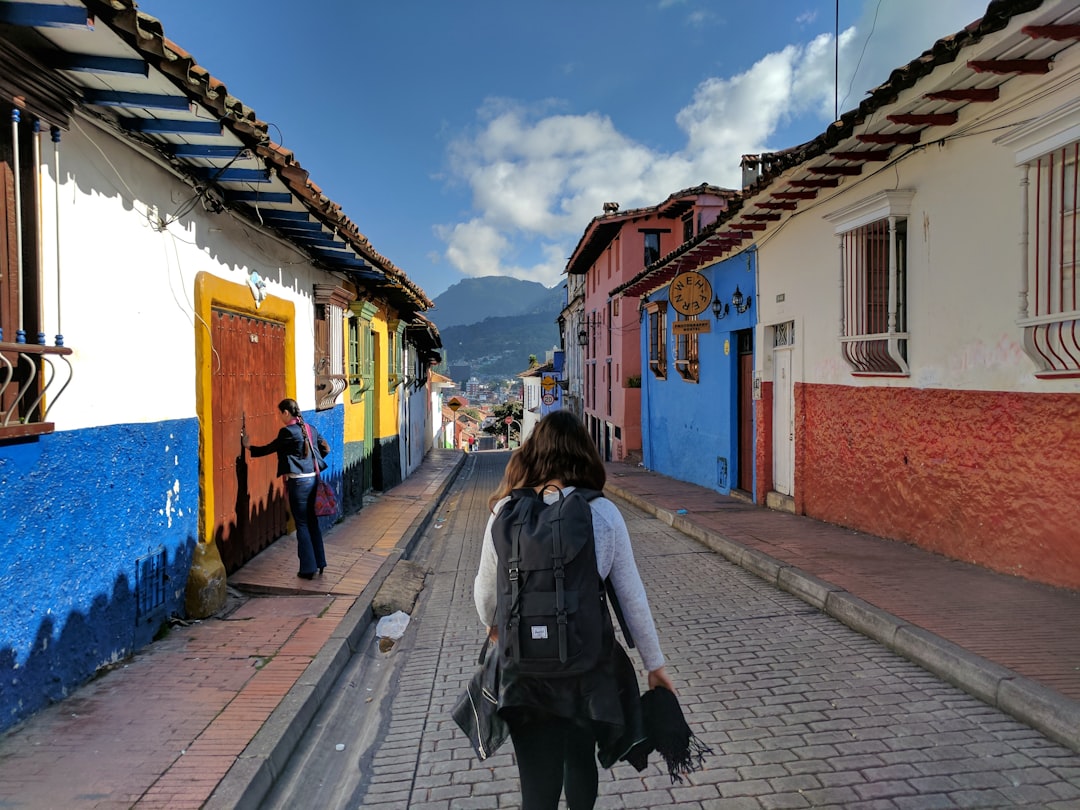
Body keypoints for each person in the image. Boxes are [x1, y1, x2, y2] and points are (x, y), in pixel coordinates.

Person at [474, 410, 675, 810]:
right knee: (579, 759)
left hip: (525, 673)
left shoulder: (505, 513)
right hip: (586, 670)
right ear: (584, 454)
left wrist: (493, 627)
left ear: (533, 453)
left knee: (536, 781)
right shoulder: (603, 513)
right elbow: (632, 598)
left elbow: (484, 593)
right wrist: (655, 665)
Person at [243, 397, 330, 580]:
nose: (279, 418)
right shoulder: (310, 429)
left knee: (302, 524)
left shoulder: (287, 432)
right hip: (313, 479)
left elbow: (270, 448)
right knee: (312, 522)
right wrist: (309, 462)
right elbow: (325, 449)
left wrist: (248, 447)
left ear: (285, 412)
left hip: (298, 483)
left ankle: (307, 569)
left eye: (280, 414)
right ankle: (320, 562)